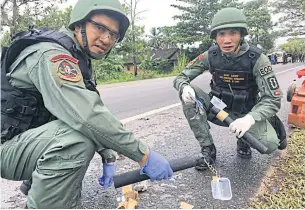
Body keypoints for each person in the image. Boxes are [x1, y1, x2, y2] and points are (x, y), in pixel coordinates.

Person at [0, 0, 173, 208]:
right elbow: (86, 115)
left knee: (80, 133)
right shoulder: (52, 55)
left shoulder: (77, 57)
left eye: (113, 35)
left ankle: (39, 188)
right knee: (76, 140)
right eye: (100, 28)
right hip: (6, 146)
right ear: (79, 24)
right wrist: (143, 154)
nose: (106, 39)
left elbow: (88, 110)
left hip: (21, 141)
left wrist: (107, 153)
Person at [173, 7, 287, 171]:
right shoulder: (210, 55)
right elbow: (181, 77)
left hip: (246, 113)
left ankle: (249, 137)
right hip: (218, 110)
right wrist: (184, 87)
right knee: (188, 95)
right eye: (221, 34)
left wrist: (250, 119)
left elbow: (273, 99)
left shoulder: (257, 59)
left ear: (241, 35)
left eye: (232, 33)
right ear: (215, 37)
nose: (227, 40)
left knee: (269, 145)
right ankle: (208, 150)